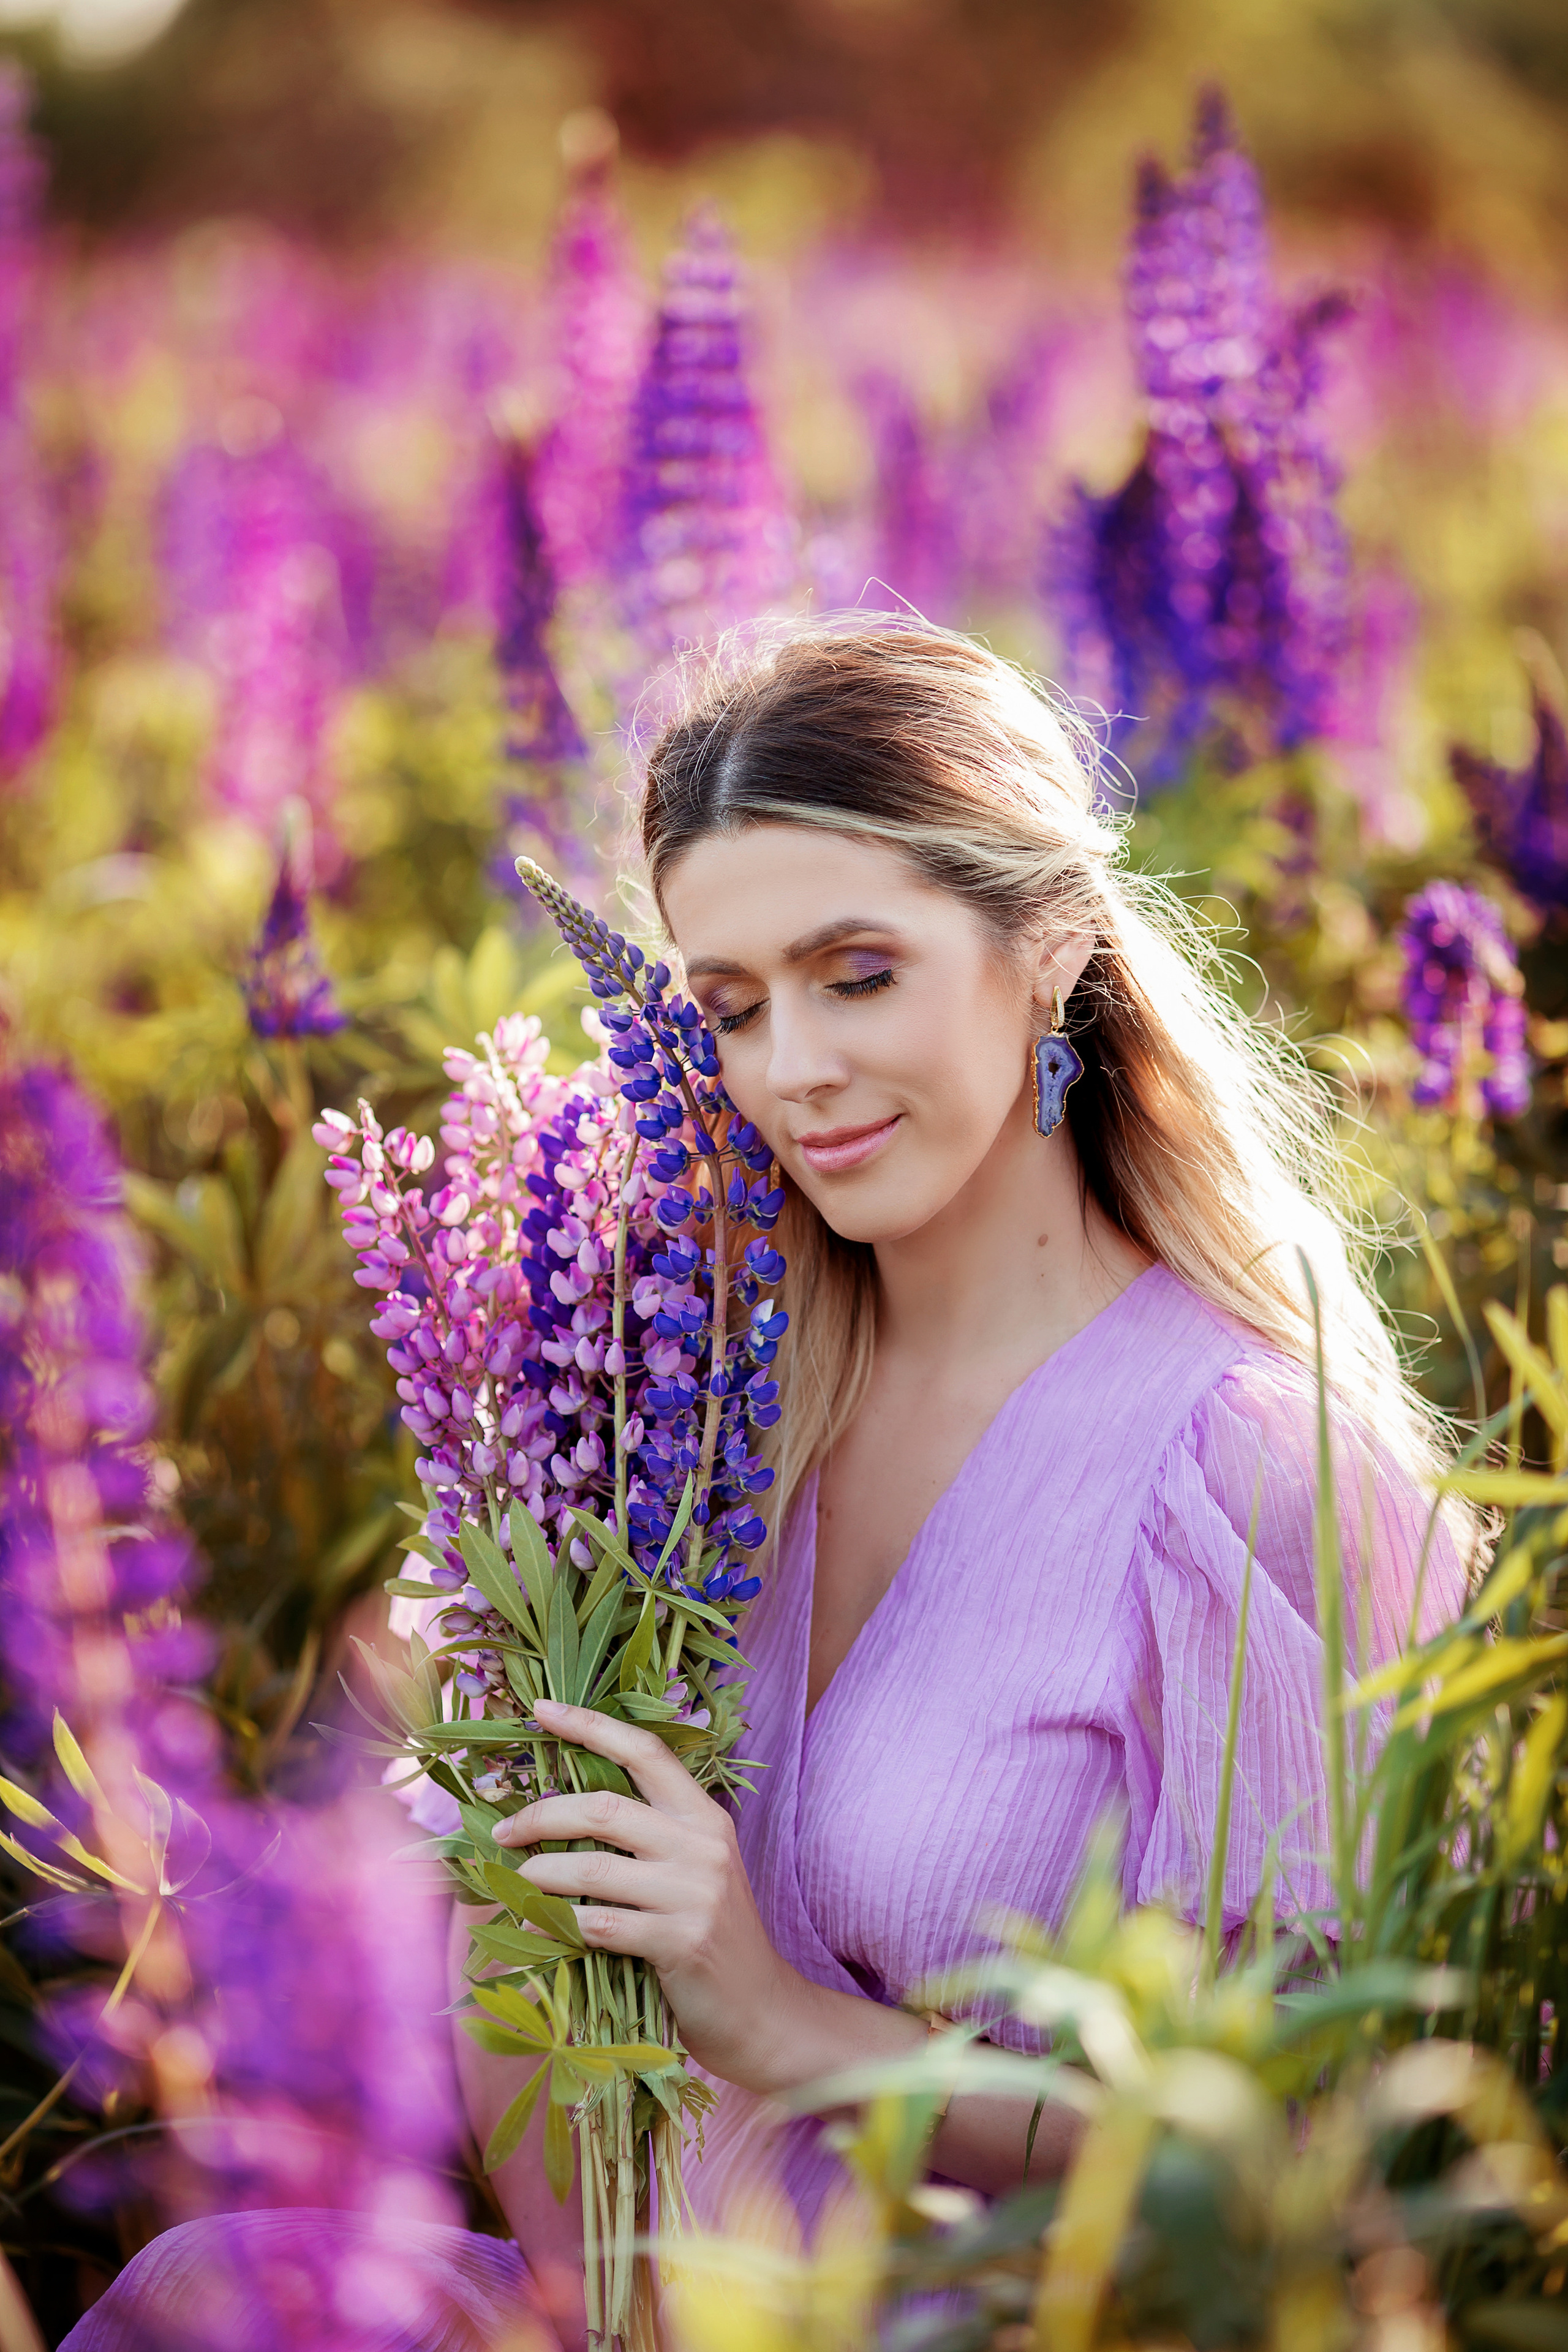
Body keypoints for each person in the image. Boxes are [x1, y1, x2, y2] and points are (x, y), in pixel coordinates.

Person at [67, 625, 1473, 2352]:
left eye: (858, 972)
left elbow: (1286, 2161)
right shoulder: (678, 1412)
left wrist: (777, 2012)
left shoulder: (1248, 1461)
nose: (791, 1067)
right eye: (730, 1006)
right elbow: (518, 1999)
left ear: (1048, 954)